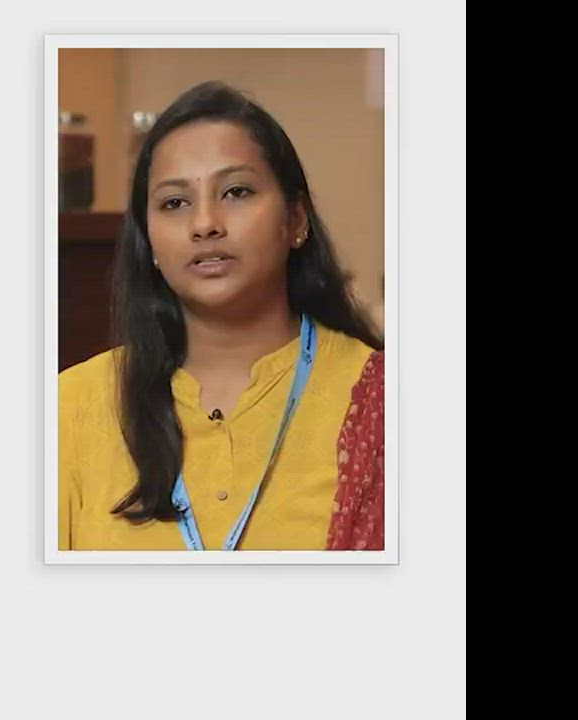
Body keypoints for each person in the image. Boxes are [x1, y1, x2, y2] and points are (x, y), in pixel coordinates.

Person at [58, 81, 384, 551]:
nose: (205, 224)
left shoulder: (380, 404)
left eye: (235, 191)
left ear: (295, 219)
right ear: (148, 241)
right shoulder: (70, 407)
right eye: (174, 202)